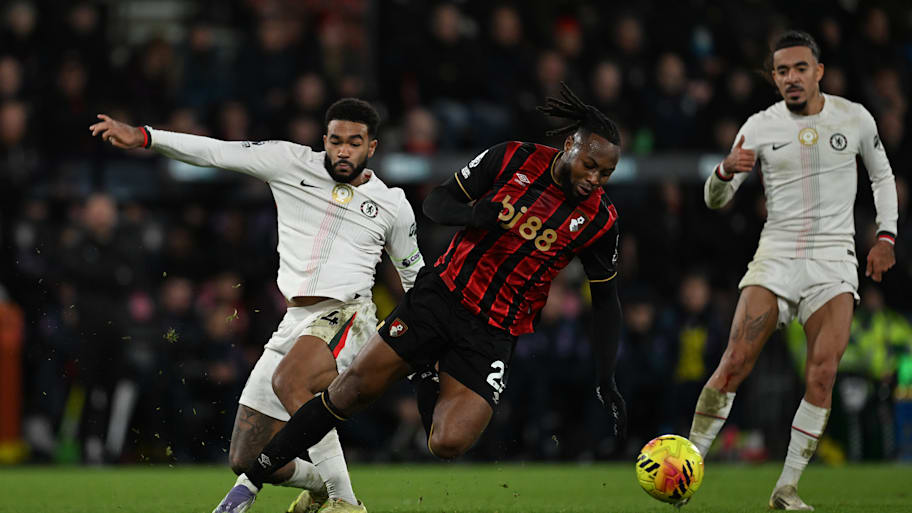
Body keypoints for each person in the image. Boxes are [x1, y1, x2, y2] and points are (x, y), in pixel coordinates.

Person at [208, 83, 629, 513]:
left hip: (493, 330)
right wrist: (474, 215)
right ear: (569, 145)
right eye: (590, 165)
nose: (594, 179)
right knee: (346, 392)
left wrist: (606, 374)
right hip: (439, 297)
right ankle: (246, 489)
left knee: (446, 442)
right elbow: (437, 204)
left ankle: (424, 367)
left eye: (605, 174)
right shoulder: (512, 158)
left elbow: (607, 301)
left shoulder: (600, 220)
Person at [89, 98, 424, 513]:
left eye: (354, 143)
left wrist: (427, 347)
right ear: (324, 140)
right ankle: (321, 485)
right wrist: (145, 137)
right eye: (336, 141)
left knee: (291, 382)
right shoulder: (289, 162)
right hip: (296, 321)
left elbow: (415, 280)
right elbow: (216, 151)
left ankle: (346, 502)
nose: (343, 151)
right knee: (246, 458)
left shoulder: (393, 204)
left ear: (372, 147)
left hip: (349, 315)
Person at [687, 31, 898, 510]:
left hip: (833, 262)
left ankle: (786, 488)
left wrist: (886, 236)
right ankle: (689, 464)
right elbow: (713, 200)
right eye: (782, 71)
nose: (791, 78)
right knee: (733, 364)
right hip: (776, 257)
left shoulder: (855, 118)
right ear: (775, 77)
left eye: (800, 68)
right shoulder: (759, 127)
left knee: (821, 373)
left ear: (818, 71)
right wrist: (723, 172)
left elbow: (882, 177)